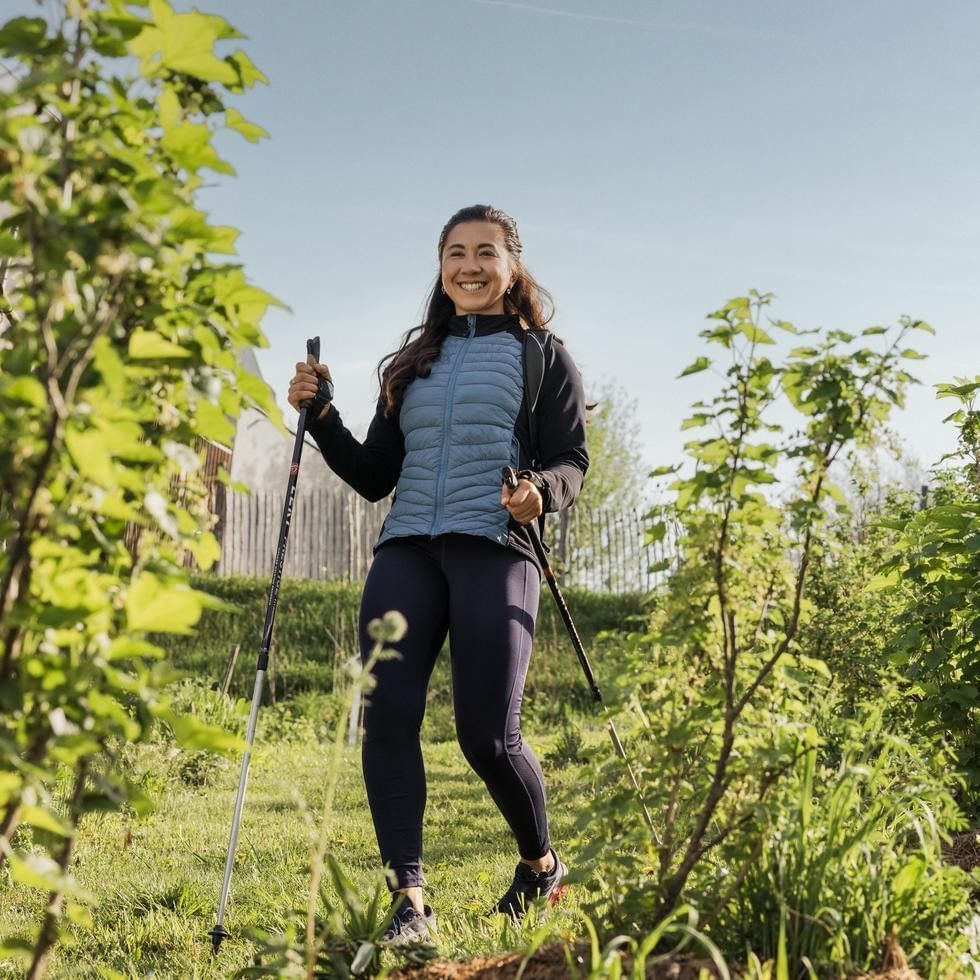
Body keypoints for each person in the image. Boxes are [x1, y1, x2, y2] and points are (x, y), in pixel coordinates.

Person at [287, 204, 589, 944]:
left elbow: (572, 461)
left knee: (487, 739)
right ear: (441, 265)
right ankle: (410, 901)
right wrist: (322, 415)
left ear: (512, 265)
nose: (470, 266)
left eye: (486, 252)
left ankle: (541, 864)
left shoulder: (542, 355)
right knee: (386, 716)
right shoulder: (413, 362)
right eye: (455, 252)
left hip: (496, 546)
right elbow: (373, 474)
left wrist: (537, 494)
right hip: (409, 548)